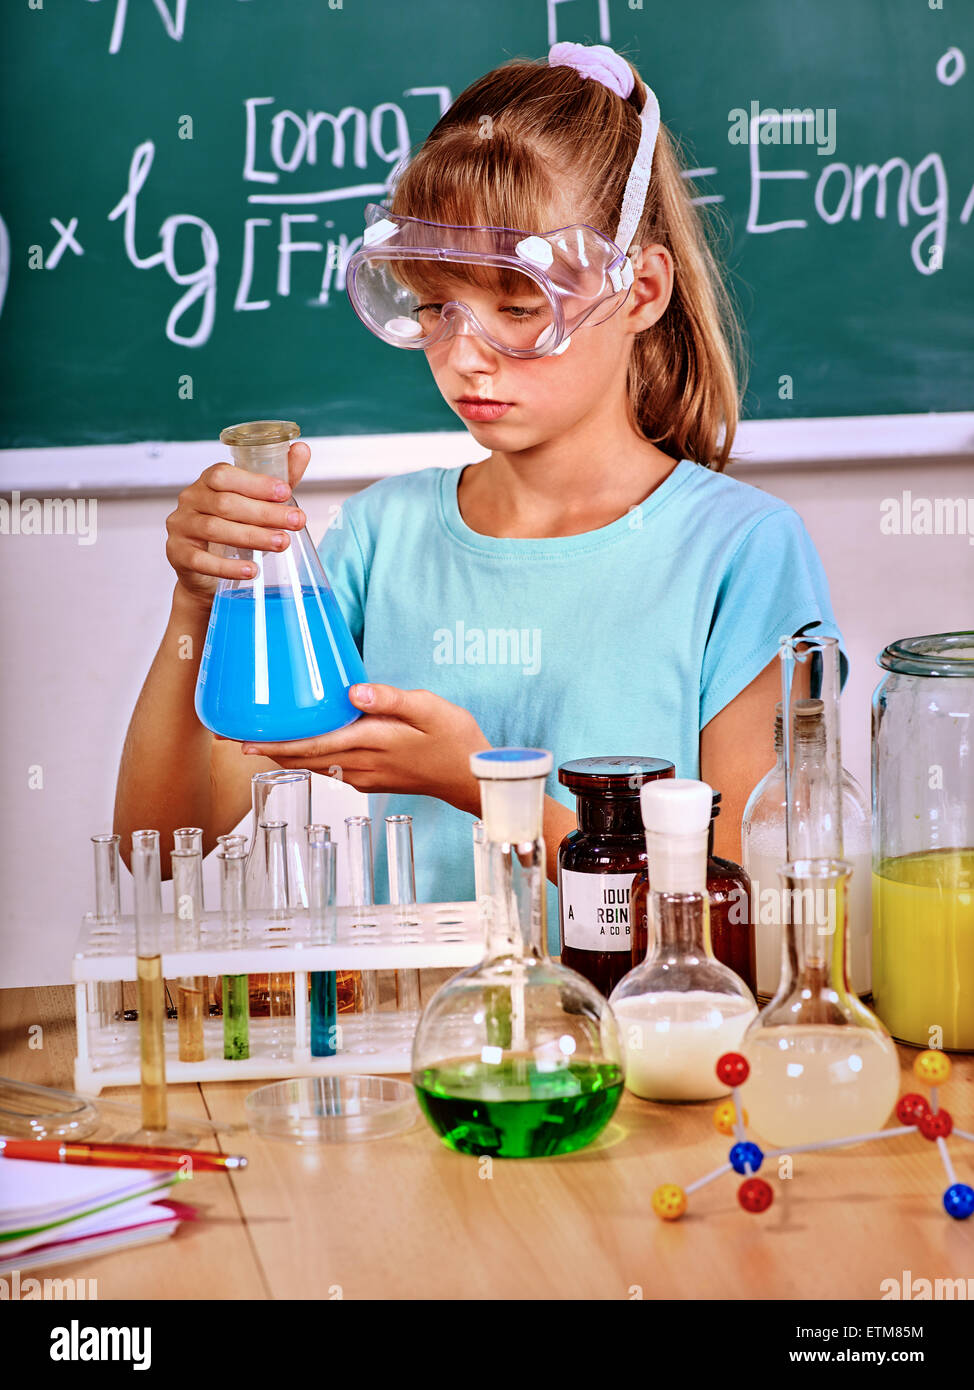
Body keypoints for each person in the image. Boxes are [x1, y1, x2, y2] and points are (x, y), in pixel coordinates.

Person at [114, 43, 844, 946]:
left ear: (642, 289)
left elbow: (755, 926)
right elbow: (156, 844)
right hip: (429, 1061)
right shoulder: (383, 539)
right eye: (434, 305)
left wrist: (479, 784)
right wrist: (202, 595)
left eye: (518, 305)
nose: (464, 355)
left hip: (644, 1064)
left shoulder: (741, 554)